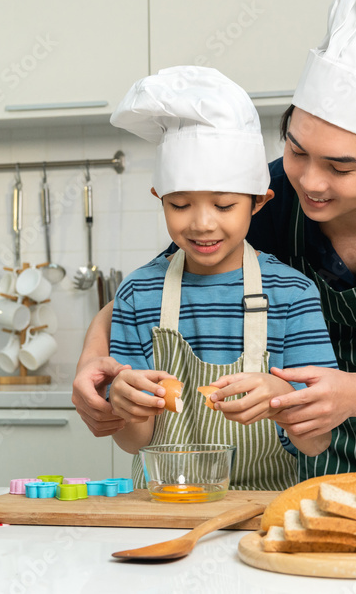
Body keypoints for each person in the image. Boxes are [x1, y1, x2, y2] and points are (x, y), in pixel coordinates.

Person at [73, 0, 356, 479]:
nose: (310, 181)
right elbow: (165, 280)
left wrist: (354, 393)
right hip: (317, 456)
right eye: (298, 151)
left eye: (340, 166)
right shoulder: (266, 196)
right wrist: (94, 359)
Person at [105, 66, 336, 491]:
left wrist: (281, 401)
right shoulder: (138, 293)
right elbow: (133, 442)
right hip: (163, 508)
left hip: (262, 515)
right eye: (180, 204)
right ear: (159, 199)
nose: (202, 224)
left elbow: (316, 442)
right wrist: (125, 405)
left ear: (259, 203)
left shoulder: (292, 294)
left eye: (225, 205)